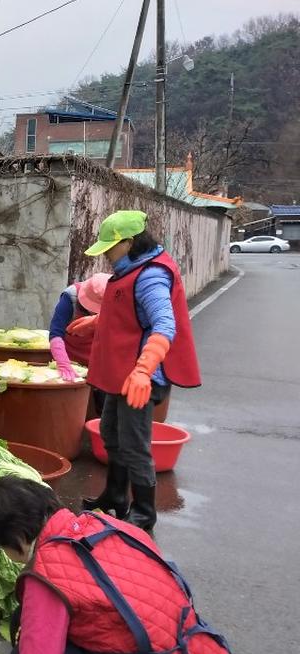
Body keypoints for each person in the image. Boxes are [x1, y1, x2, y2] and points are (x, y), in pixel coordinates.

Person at [0, 476, 238, 654]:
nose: (8, 556)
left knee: (25, 626)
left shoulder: (47, 577)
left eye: (3, 548)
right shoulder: (111, 525)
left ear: (17, 537)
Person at [81, 210, 200, 531]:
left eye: (110, 247)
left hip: (140, 378)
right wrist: (95, 323)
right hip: (123, 373)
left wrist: (144, 370)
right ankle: (115, 497)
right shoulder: (131, 268)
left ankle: (144, 511)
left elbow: (163, 325)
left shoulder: (151, 276)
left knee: (134, 444)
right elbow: (131, 314)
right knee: (110, 434)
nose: (105, 253)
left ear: (129, 243)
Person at [47, 272, 111, 381]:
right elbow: (56, 333)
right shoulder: (70, 296)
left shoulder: (118, 297)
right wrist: (63, 362)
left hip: (98, 358)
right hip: (70, 357)